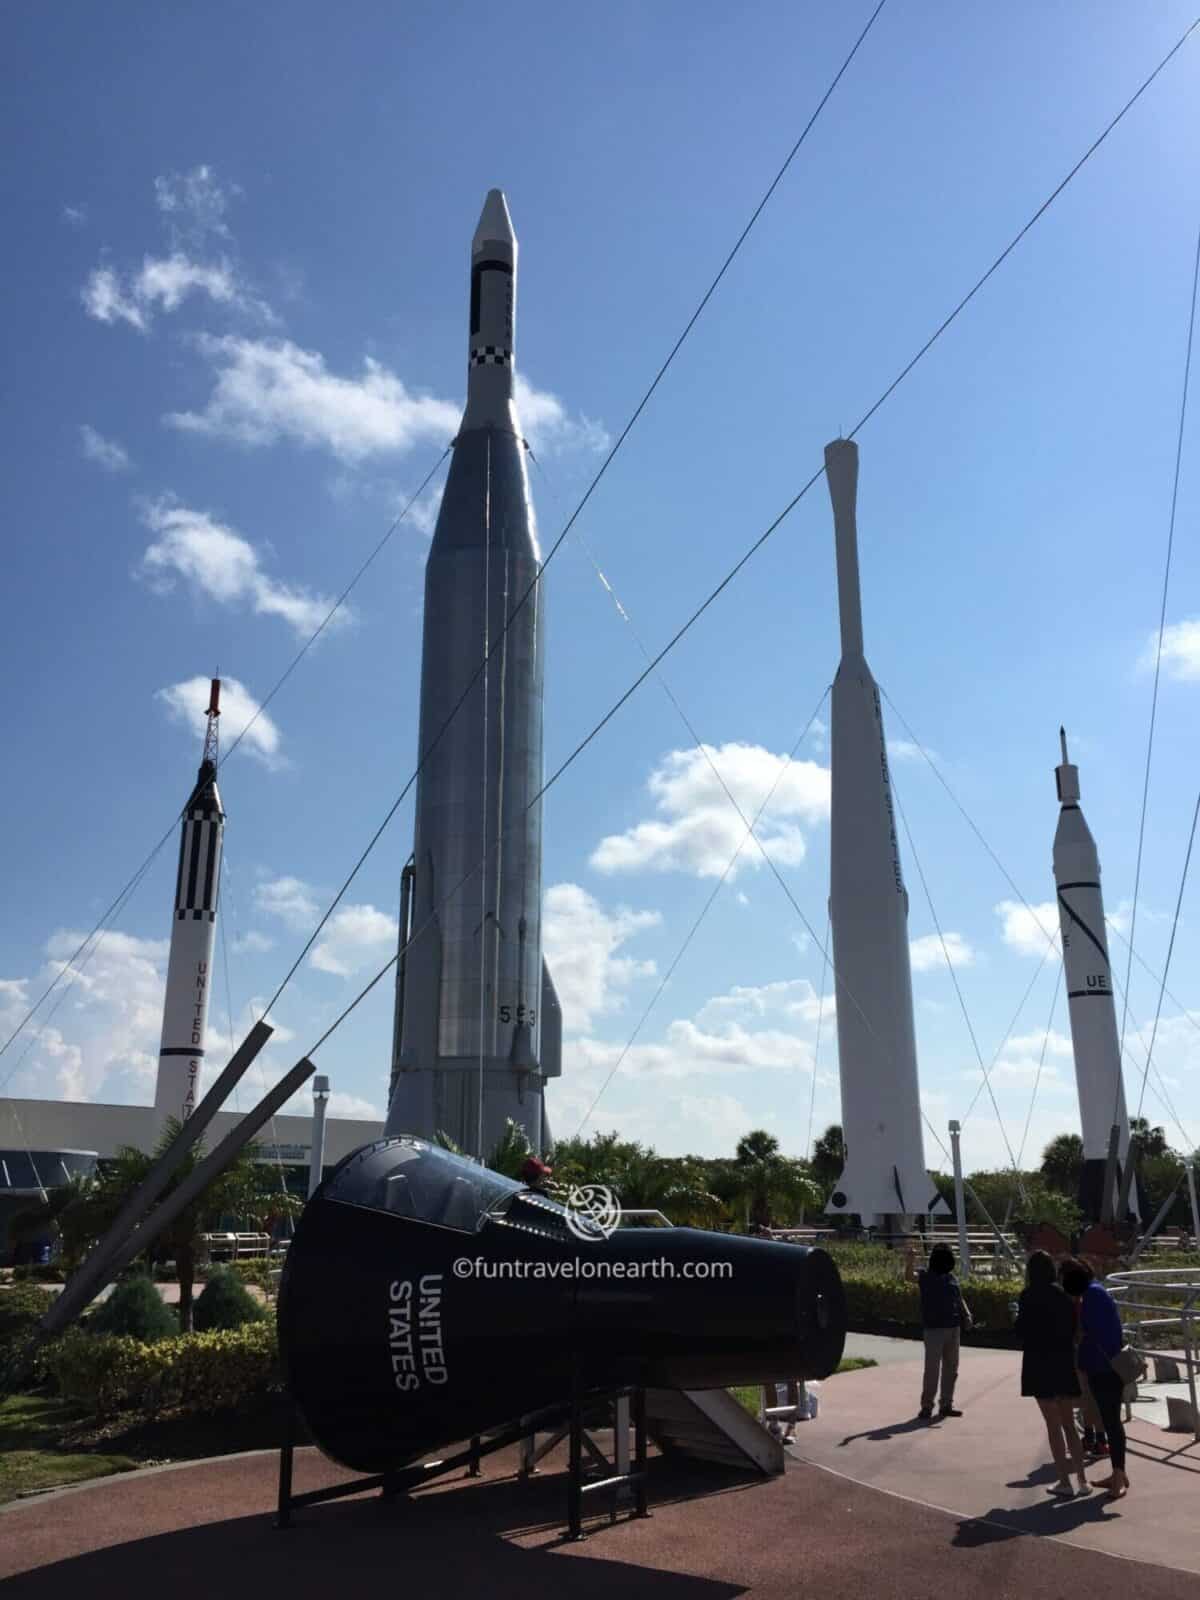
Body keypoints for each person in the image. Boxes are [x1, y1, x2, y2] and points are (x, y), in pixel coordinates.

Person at [1015, 1250, 1088, 1498]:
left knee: (1053, 1426)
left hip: (1039, 1364)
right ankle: (1083, 1480)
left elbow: (1021, 1330)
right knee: (1069, 1425)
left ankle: (1064, 1482)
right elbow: (1073, 1330)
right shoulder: (1064, 1296)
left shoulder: (1027, 1296)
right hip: (1063, 1363)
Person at [1060, 1258, 1130, 1500]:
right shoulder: (1096, 1292)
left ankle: (1119, 1476)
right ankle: (1118, 1472)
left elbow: (1087, 1332)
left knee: (1112, 1423)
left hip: (1105, 1369)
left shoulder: (1092, 1297)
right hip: (1104, 1367)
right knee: (1110, 1421)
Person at [911, 1243, 971, 1420]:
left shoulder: (951, 1278)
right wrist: (909, 1260)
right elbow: (908, 1277)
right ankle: (927, 1406)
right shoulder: (925, 1276)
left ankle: (946, 1404)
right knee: (932, 1370)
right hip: (934, 1330)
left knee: (951, 1369)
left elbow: (959, 1298)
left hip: (953, 1328)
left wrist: (966, 1314)